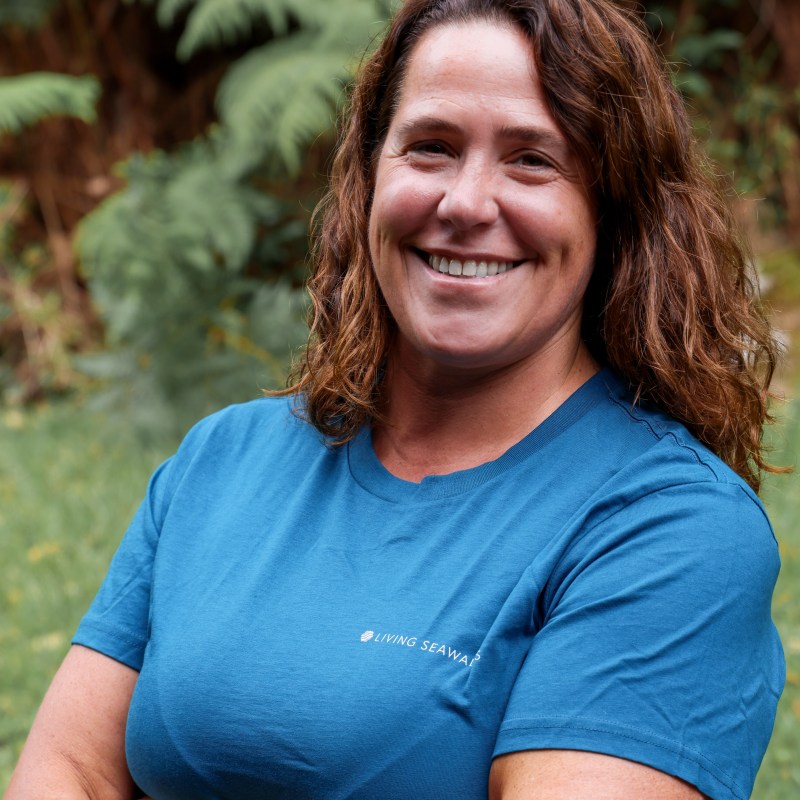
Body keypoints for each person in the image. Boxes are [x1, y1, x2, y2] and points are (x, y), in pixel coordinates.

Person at [6, 0, 785, 798]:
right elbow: (69, 774)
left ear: (613, 209)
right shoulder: (221, 460)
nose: (466, 203)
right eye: (431, 148)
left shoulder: (672, 530)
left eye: (532, 160)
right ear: (369, 174)